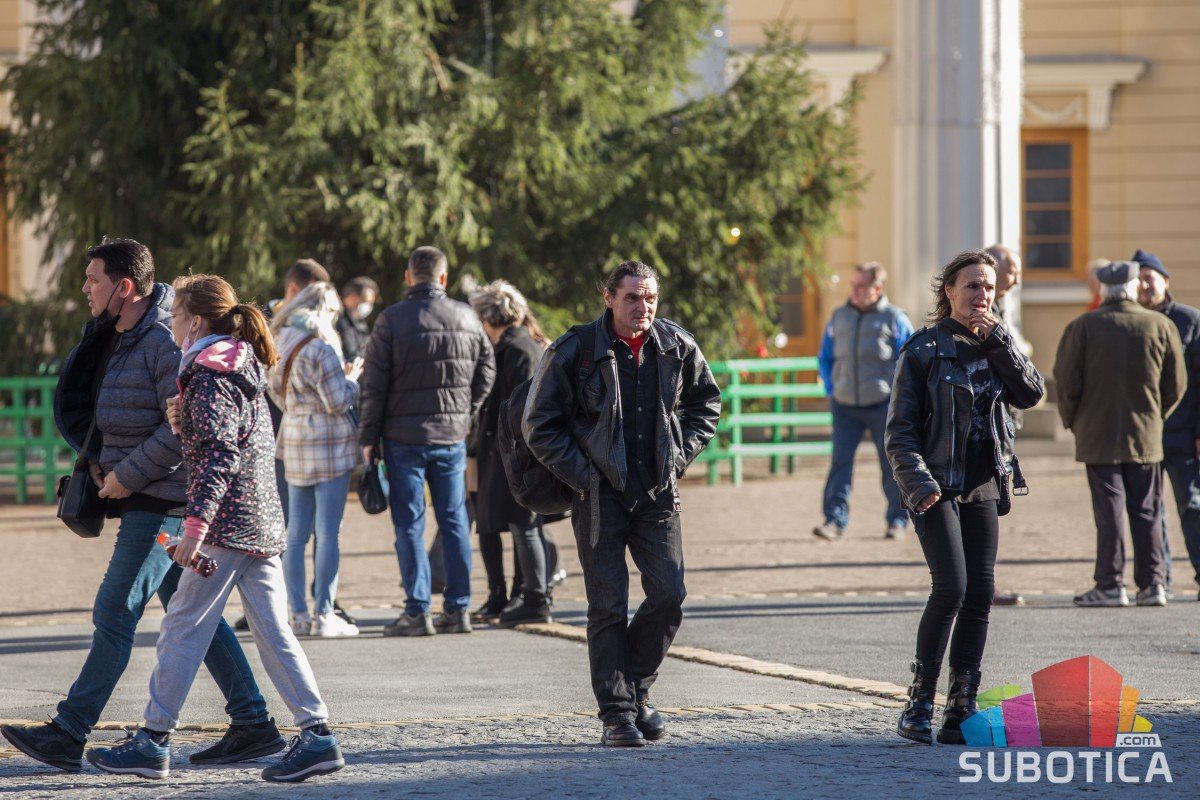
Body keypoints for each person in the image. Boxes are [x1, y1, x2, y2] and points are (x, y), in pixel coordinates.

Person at [1, 241, 282, 774]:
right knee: (192, 613)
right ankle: (253, 723)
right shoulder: (120, 334)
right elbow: (112, 411)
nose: (85, 287)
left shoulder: (163, 341)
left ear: (124, 287)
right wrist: (100, 462)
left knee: (115, 609)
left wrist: (125, 475)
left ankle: (69, 731)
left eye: (94, 278)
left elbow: (181, 431)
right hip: (143, 497)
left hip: (164, 502)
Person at [86, 274, 345, 783]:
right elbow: (232, 438)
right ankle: (317, 735)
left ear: (196, 322)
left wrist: (195, 528)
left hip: (227, 524)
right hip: (258, 519)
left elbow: (219, 457)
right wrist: (184, 421)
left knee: (182, 626)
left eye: (177, 315)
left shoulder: (208, 372)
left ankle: (153, 740)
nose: (171, 324)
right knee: (272, 632)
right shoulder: (236, 360)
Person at [523, 260, 721, 747]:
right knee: (608, 606)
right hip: (598, 497)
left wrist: (677, 456)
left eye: (650, 297)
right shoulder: (575, 349)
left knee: (669, 594)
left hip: (657, 492)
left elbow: (706, 404)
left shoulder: (676, 345)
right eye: (632, 297)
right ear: (609, 297)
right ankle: (617, 714)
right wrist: (584, 477)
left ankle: (635, 689)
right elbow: (539, 424)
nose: (643, 306)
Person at [886, 249, 1044, 746]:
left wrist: (999, 341)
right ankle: (918, 703)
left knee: (979, 594)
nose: (982, 295)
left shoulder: (998, 342)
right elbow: (899, 432)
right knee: (951, 588)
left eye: (989, 287)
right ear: (949, 291)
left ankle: (961, 709)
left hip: (983, 485)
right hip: (936, 487)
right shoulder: (923, 349)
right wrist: (919, 484)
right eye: (972, 285)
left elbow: (1031, 393)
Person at [359, 246, 495, 636]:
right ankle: (459, 608)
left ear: (408, 277)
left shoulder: (390, 319)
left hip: (402, 438)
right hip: (450, 437)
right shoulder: (466, 316)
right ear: (443, 278)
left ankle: (418, 611)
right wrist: (466, 412)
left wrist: (368, 437)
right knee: (454, 521)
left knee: (410, 524)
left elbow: (374, 385)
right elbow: (487, 370)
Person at [1056, 261, 1185, 609]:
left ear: (1102, 290)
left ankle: (1110, 584)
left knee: (1109, 512)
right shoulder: (1159, 325)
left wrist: (1073, 422)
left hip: (1097, 435)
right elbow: (1176, 384)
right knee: (1147, 510)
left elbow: (1066, 383)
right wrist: (1156, 416)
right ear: (1132, 288)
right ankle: (1153, 584)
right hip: (1145, 436)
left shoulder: (1082, 326)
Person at [269, 282, 364, 637]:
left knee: (295, 533)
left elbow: (274, 393)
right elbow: (337, 402)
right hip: (327, 444)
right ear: (325, 311)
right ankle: (324, 613)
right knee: (327, 533)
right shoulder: (320, 347)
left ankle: (297, 613)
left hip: (293, 438)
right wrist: (352, 379)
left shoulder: (279, 340)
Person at [468, 279, 554, 626]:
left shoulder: (518, 349)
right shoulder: (519, 345)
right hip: (502, 450)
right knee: (497, 523)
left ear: (488, 318)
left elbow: (522, 406)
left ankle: (530, 596)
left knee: (521, 524)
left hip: (512, 452)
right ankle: (510, 595)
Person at [814, 262, 913, 541]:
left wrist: (901, 398)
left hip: (883, 405)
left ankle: (897, 520)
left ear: (877, 288)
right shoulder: (839, 317)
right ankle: (834, 521)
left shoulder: (895, 319)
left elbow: (910, 361)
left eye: (862, 285)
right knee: (840, 464)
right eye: (853, 285)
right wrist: (831, 388)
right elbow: (825, 357)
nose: (855, 290)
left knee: (891, 465)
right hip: (844, 405)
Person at [1135, 248, 1200, 600]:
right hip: (1143, 435)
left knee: (1192, 505)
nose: (1144, 285)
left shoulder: (1190, 320)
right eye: (1138, 280)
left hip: (1184, 433)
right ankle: (1161, 580)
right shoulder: (1129, 322)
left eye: (1150, 278)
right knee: (1151, 512)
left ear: (1165, 281)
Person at [984, 243, 1032, 607]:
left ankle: (983, 582)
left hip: (1003, 421)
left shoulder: (1002, 307)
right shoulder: (985, 315)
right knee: (986, 506)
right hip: (988, 425)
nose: (1016, 279)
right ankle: (983, 584)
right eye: (1012, 270)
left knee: (994, 504)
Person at [337, 276, 380, 363]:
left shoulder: (361, 323)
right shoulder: (338, 320)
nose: (368, 307)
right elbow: (351, 354)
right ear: (352, 297)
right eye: (365, 301)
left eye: (371, 303)